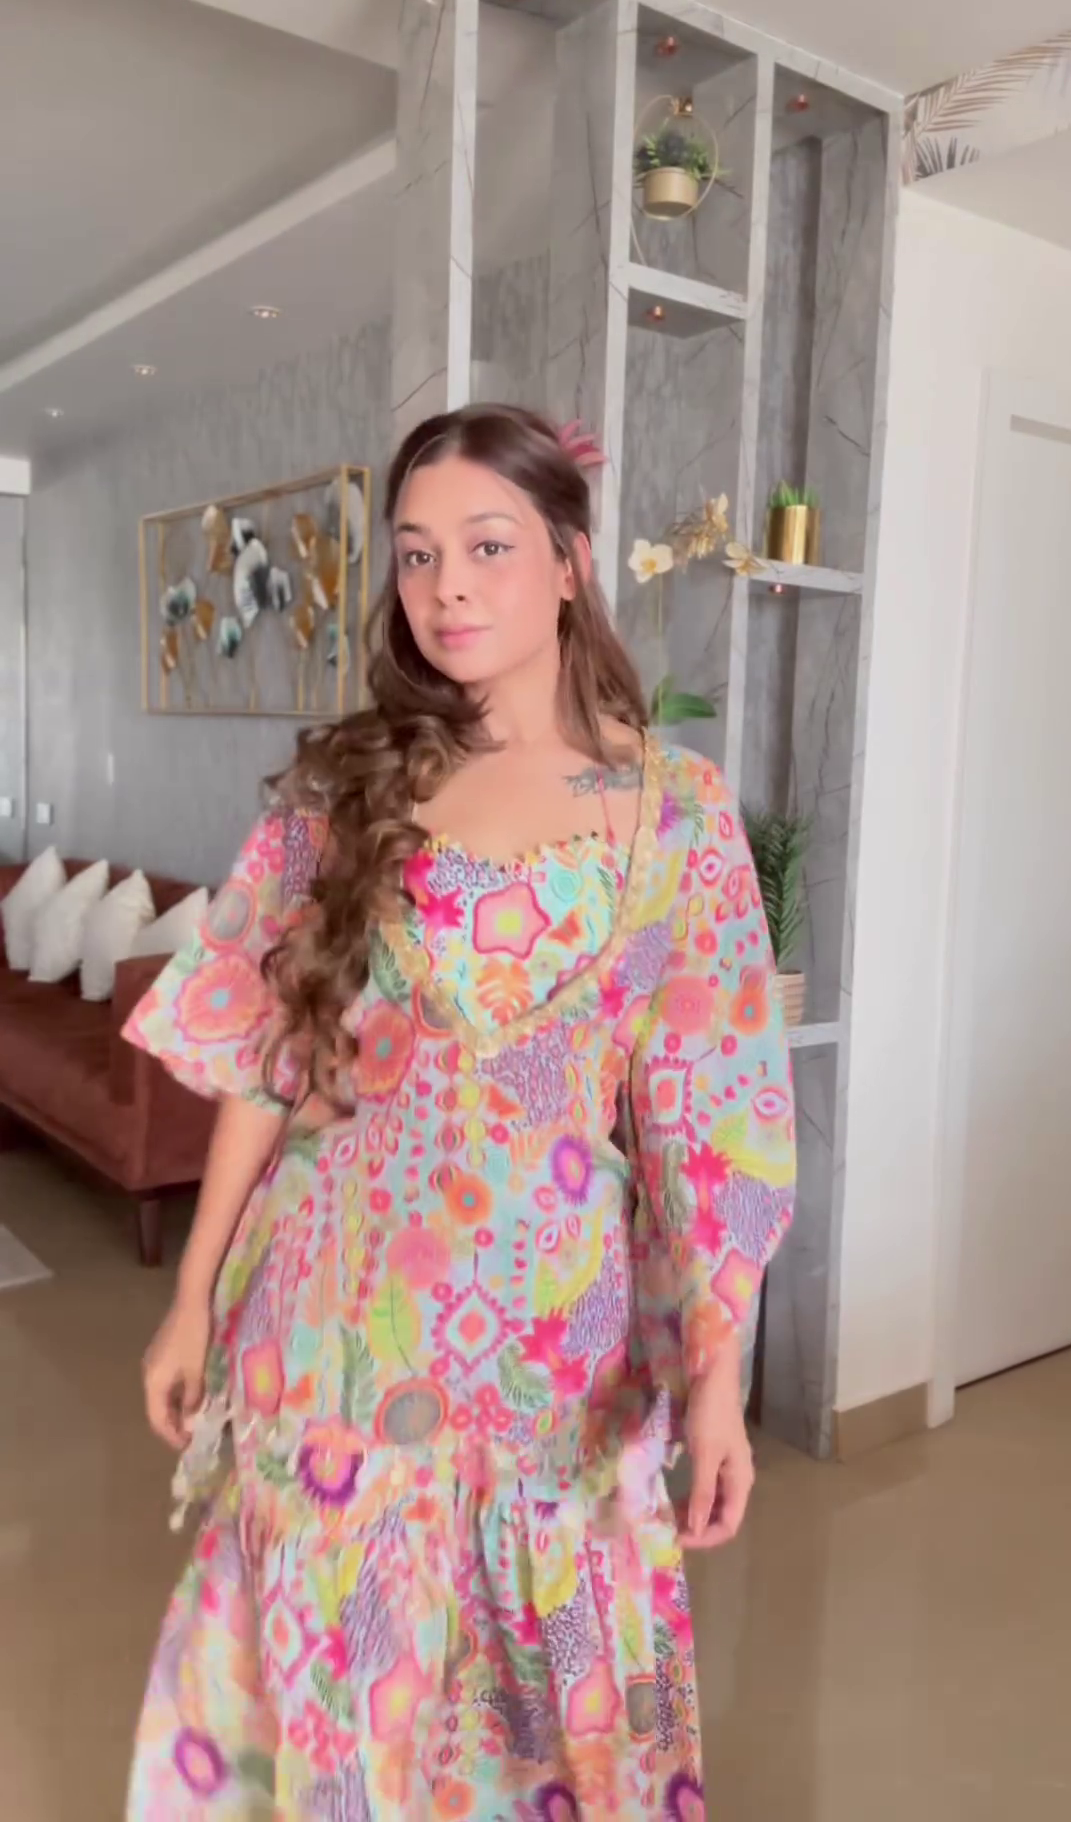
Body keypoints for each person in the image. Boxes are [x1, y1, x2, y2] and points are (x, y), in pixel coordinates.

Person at [124, 405, 796, 1819]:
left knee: (535, 1724)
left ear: (570, 562)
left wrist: (718, 1373)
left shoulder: (674, 812)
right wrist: (191, 1297)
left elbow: (709, 1119)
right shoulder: (348, 789)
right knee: (346, 1701)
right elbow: (270, 1055)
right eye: (419, 553)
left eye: (489, 547)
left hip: (555, 1354)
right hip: (333, 1323)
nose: (447, 587)